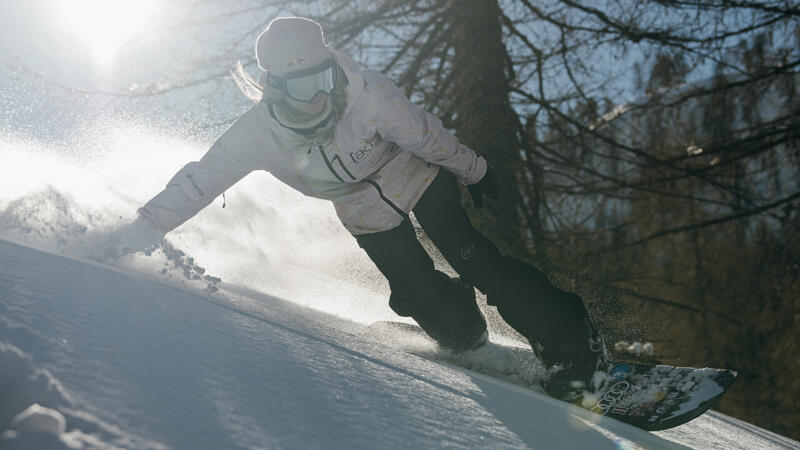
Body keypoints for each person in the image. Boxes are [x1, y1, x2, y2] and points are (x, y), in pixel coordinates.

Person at [115, 16, 607, 401]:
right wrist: (145, 227)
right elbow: (200, 180)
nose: (322, 93)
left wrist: (474, 170)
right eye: (305, 86)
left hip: (416, 177)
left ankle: (573, 347)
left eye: (324, 76)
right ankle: (466, 333)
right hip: (360, 210)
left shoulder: (364, 93)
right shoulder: (257, 133)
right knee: (415, 290)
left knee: (476, 260)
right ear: (277, 87)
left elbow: (425, 134)